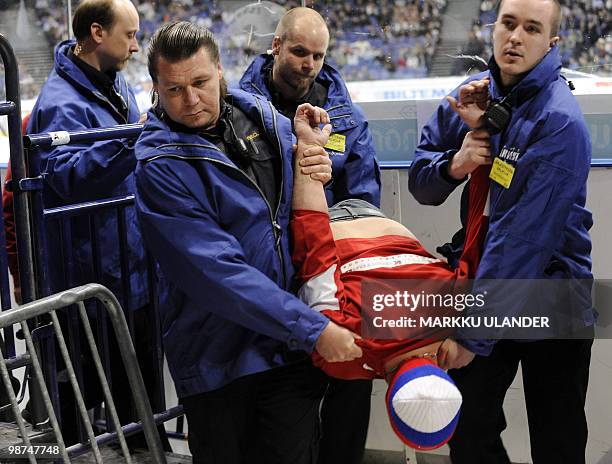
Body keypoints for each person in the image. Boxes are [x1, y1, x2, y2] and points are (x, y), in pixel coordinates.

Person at [134, 21, 362, 464]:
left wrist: (313, 158)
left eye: (200, 82)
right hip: (218, 360)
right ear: (156, 88)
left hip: (285, 351)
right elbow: (217, 274)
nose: (191, 100)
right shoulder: (158, 166)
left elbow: (306, 204)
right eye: (174, 90)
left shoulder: (264, 119)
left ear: (219, 70)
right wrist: (312, 328)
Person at [408, 0, 595, 462]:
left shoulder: (559, 121)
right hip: (489, 284)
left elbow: (520, 240)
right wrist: (456, 163)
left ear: (551, 43)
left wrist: (473, 336)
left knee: (558, 441)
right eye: (508, 24)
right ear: (493, 29)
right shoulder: (471, 97)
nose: (516, 37)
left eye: (531, 29)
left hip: (552, 293)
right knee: (469, 433)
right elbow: (421, 184)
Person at [240, 9, 381, 462]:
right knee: (279, 413)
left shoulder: (346, 117)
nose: (308, 64)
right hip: (269, 280)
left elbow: (362, 203)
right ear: (276, 45)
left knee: (347, 393)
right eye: (299, 52)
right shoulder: (237, 110)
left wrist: (322, 236)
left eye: (318, 56)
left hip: (330, 278)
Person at [24, 0, 166, 447]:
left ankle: (146, 447)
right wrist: (132, 140)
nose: (137, 46)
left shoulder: (113, 82)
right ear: (98, 33)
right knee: (78, 402)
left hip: (131, 269)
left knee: (141, 396)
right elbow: (65, 178)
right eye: (130, 35)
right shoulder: (59, 103)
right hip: (89, 280)